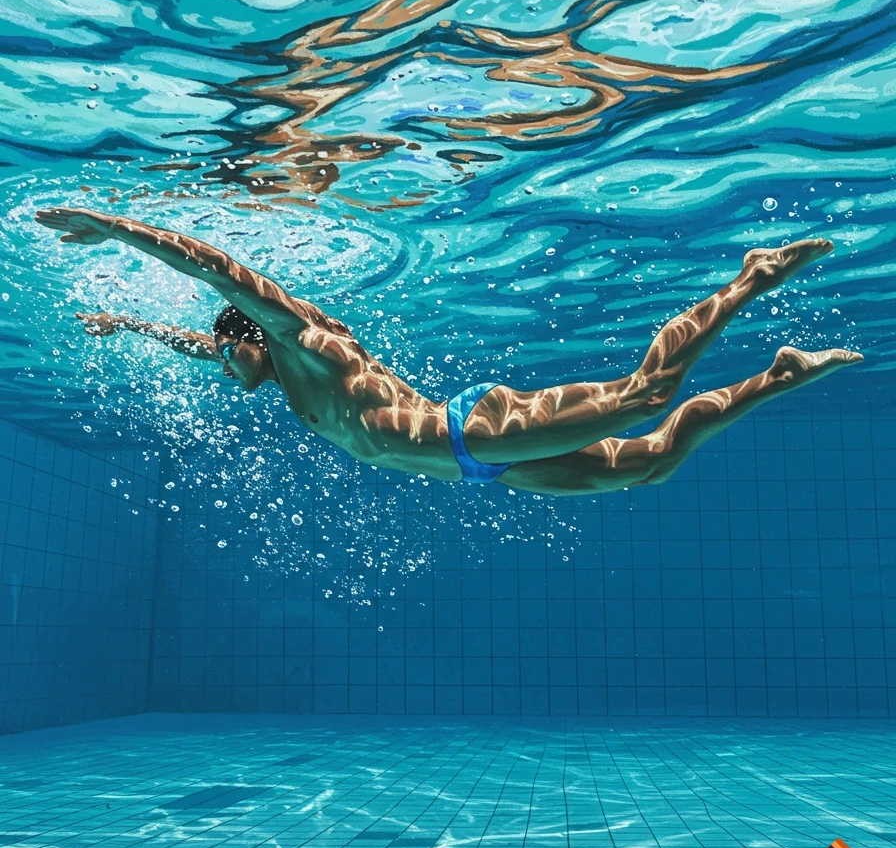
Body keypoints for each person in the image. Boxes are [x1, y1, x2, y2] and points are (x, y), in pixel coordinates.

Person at [36, 207, 860, 496]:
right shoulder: (266, 366)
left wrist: (115, 232)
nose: (225, 368)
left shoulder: (302, 338)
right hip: (479, 464)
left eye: (231, 351)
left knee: (645, 397)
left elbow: (218, 268)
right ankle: (778, 375)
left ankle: (752, 278)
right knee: (649, 463)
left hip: (471, 432)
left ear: (253, 333)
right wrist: (132, 327)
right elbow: (199, 346)